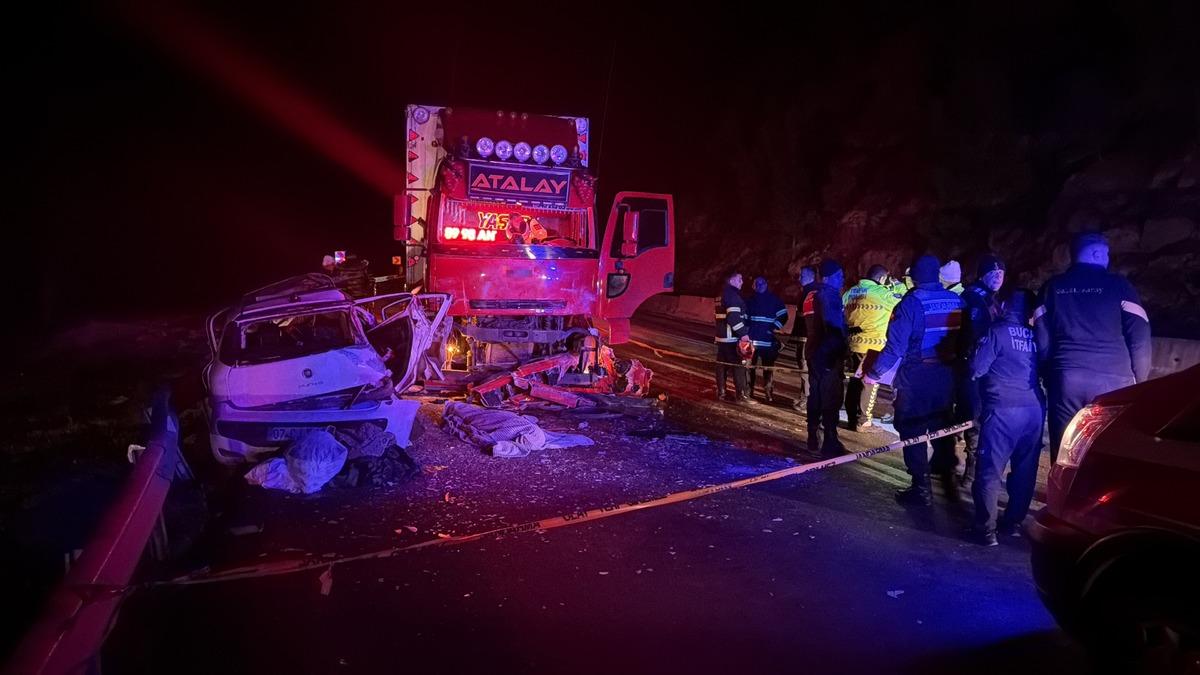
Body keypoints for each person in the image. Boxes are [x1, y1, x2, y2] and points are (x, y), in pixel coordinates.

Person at [1034, 231, 1151, 462]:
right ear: (1097, 254)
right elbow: (1140, 337)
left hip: (1067, 378)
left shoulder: (1052, 288)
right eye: (1106, 254)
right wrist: (1140, 379)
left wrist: (1050, 375)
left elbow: (1042, 339)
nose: (1108, 259)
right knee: (1110, 449)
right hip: (1113, 381)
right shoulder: (1120, 286)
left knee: (1065, 450)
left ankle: (1063, 485)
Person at [865, 255, 966, 506]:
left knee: (912, 429)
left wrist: (873, 374)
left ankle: (921, 488)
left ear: (916, 277)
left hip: (917, 376)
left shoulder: (911, 303)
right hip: (947, 376)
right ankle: (948, 483)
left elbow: (895, 348)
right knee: (941, 426)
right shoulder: (957, 301)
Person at [970, 288, 1044, 546]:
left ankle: (985, 530)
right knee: (1024, 471)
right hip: (1034, 410)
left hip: (1003, 409)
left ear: (1005, 306)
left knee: (989, 471)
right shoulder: (1038, 335)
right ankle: (1012, 524)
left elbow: (977, 368)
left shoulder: (997, 331)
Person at [956, 254, 1006, 487]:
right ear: (983, 275)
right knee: (973, 418)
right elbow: (976, 334)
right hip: (974, 366)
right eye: (993, 273)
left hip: (985, 367)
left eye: (1001, 273)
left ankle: (966, 468)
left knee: (976, 417)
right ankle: (970, 472)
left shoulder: (991, 298)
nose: (998, 277)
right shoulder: (974, 297)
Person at [843, 264, 903, 430]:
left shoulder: (851, 291)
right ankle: (864, 421)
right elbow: (904, 299)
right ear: (882, 278)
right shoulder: (882, 293)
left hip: (852, 344)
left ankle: (852, 418)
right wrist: (897, 284)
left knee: (854, 382)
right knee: (869, 383)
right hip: (872, 346)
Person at [804, 260, 848, 455]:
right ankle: (830, 440)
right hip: (827, 355)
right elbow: (833, 328)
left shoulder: (810, 294)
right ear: (828, 278)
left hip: (814, 351)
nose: (842, 280)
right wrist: (837, 350)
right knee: (830, 398)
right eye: (839, 276)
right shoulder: (829, 295)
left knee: (815, 395)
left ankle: (813, 436)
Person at [746, 276, 789, 402]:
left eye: (762, 283)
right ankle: (749, 391)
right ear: (754, 286)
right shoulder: (749, 301)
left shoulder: (774, 300)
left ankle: (768, 393)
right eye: (757, 283)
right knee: (750, 368)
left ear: (766, 284)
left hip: (768, 341)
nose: (760, 285)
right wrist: (746, 333)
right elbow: (745, 318)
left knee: (768, 369)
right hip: (752, 342)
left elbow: (784, 316)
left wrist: (773, 327)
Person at [714, 270, 754, 404]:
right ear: (731, 281)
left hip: (721, 337)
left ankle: (721, 393)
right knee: (738, 366)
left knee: (722, 366)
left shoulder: (721, 294)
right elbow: (733, 318)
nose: (742, 282)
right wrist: (744, 334)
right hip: (731, 338)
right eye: (739, 279)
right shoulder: (732, 295)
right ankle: (741, 396)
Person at [790, 266, 817, 411]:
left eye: (802, 275)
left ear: (809, 276)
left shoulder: (810, 293)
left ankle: (807, 400)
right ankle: (804, 397)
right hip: (806, 338)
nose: (799, 278)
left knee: (805, 369)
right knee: (805, 370)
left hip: (806, 339)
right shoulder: (808, 292)